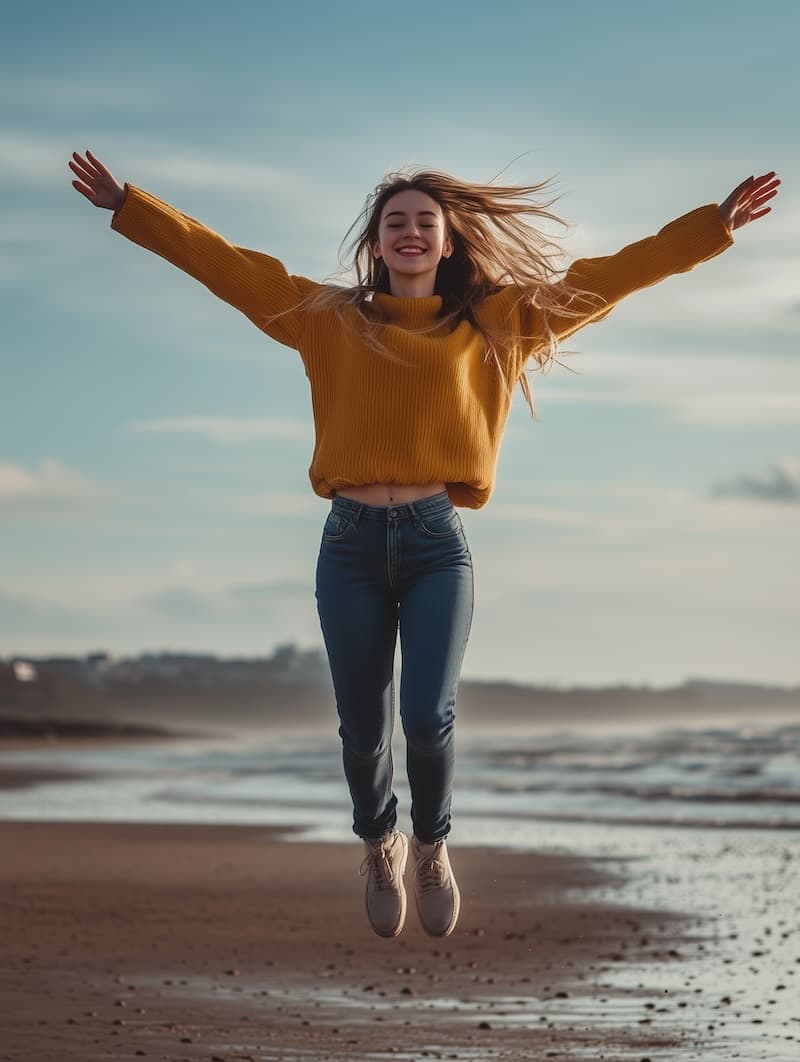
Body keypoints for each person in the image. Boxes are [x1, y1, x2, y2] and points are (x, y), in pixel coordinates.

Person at [68, 149, 779, 939]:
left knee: (427, 717)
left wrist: (710, 228)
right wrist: (130, 206)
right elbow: (226, 265)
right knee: (361, 726)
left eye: (424, 223)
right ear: (376, 244)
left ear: (447, 243)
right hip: (350, 547)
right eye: (394, 222)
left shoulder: (500, 321)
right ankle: (380, 843)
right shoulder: (324, 318)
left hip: (439, 543)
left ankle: (432, 845)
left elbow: (608, 278)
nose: (409, 233)